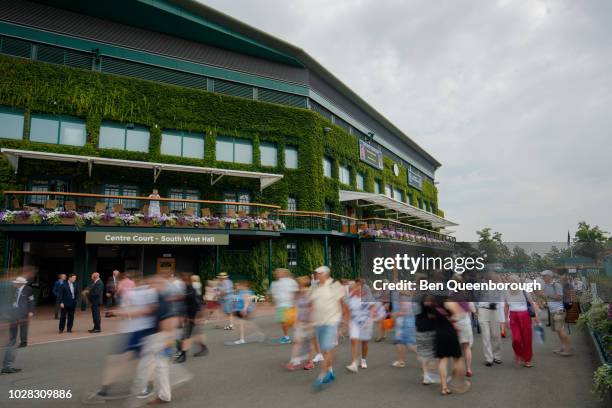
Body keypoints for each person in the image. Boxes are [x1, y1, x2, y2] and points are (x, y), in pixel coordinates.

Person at [309, 266, 346, 390]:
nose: (317, 275)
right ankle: (330, 371)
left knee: (327, 348)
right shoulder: (315, 287)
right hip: (319, 323)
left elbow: (342, 304)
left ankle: (322, 375)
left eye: (320, 273)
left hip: (332, 321)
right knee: (324, 350)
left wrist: (346, 319)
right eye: (317, 274)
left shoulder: (335, 286)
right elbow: (313, 305)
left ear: (326, 274)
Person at [504, 277, 541, 368]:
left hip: (525, 316)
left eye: (514, 282)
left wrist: (536, 316)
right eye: (510, 282)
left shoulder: (524, 291)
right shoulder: (506, 293)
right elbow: (506, 306)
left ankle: (527, 359)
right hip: (513, 317)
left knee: (526, 339)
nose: (512, 283)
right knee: (516, 339)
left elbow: (532, 304)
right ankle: (518, 355)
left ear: (517, 282)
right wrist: (505, 320)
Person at [2, 276, 35, 374]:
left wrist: (30, 311)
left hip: (23, 314)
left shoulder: (28, 290)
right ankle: (7, 365)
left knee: (23, 329)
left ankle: (23, 341)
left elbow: (31, 300)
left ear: (21, 284)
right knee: (12, 338)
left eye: (16, 283)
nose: (14, 284)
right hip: (13, 315)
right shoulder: (12, 290)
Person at [284, 275, 316, 371]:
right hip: (301, 322)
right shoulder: (299, 294)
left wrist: (310, 323)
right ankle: (292, 362)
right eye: (298, 285)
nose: (298, 286)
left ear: (305, 284)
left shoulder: (311, 294)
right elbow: (297, 307)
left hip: (310, 322)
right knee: (297, 341)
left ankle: (310, 362)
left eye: (300, 284)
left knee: (309, 343)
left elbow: (313, 308)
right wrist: (296, 321)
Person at [345, 280, 376, 373]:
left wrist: (370, 319)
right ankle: (354, 363)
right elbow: (348, 310)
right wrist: (347, 321)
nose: (357, 288)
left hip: (366, 322)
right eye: (356, 286)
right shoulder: (351, 297)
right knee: (354, 341)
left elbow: (372, 308)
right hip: (354, 322)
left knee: (364, 342)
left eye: (359, 286)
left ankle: (363, 360)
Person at [176, 274, 208, 362]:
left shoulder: (191, 289)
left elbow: (197, 303)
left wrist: (197, 316)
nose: (181, 282)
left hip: (194, 315)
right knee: (194, 335)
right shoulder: (186, 289)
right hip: (191, 315)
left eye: (182, 280)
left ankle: (183, 354)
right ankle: (203, 348)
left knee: (188, 336)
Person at [541, 270, 574, 356]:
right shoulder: (546, 285)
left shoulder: (556, 285)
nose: (543, 277)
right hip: (552, 310)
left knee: (560, 330)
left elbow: (559, 297)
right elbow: (548, 298)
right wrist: (546, 303)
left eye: (544, 276)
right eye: (543, 276)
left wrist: (547, 296)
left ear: (549, 276)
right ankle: (563, 347)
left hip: (559, 310)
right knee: (558, 331)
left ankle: (569, 349)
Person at [477, 273, 503, 366]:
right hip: (483, 310)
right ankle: (489, 358)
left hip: (495, 311)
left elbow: (501, 299)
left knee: (496, 335)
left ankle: (497, 356)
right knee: (486, 335)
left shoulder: (499, 287)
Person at [269, 268, 298, 344]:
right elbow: (272, 294)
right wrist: (273, 300)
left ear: (284, 273)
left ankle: (298, 335)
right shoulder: (274, 283)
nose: (277, 274)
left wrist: (294, 303)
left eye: (279, 272)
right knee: (283, 322)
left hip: (289, 305)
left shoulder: (291, 282)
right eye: (276, 272)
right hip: (280, 305)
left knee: (290, 322)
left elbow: (295, 292)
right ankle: (286, 337)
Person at [391, 289, 417, 368]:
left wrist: (395, 314)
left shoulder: (403, 301)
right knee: (401, 343)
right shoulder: (412, 300)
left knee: (409, 344)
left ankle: (425, 359)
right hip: (408, 323)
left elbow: (403, 312)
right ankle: (401, 361)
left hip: (403, 324)